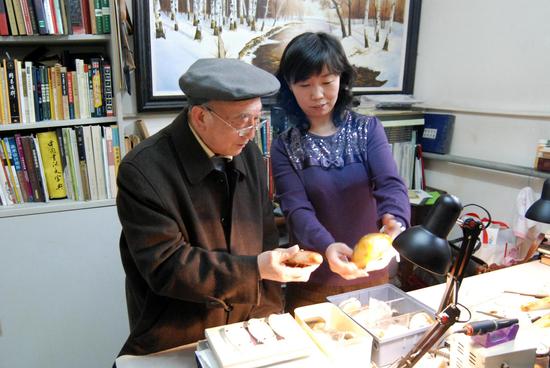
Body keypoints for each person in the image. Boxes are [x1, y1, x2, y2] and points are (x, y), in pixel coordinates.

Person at [115, 58, 320, 357]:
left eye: (257, 118)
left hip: (243, 330)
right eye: (242, 121)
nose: (252, 132)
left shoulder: (247, 152)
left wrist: (271, 316)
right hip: (177, 332)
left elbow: (265, 236)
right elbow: (167, 267)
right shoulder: (143, 171)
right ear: (200, 117)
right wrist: (256, 270)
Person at [271, 32, 411, 313]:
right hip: (315, 279)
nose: (318, 94)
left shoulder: (368, 129)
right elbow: (296, 209)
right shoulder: (284, 145)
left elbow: (390, 184)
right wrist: (327, 247)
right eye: (305, 84)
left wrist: (395, 218)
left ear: (342, 79)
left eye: (326, 81)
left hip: (372, 274)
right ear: (289, 86)